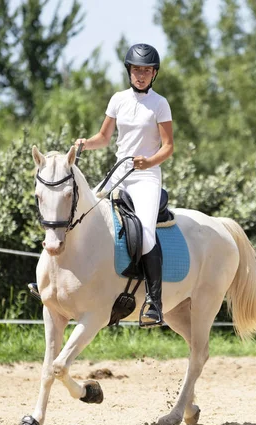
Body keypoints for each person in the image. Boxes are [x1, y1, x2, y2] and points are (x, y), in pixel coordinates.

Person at [75, 43, 174, 327]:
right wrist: (85, 143)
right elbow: (103, 138)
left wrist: (149, 161)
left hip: (146, 176)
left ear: (153, 74)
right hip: (119, 172)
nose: (141, 75)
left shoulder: (160, 103)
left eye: (146, 70)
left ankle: (154, 302)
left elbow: (168, 147)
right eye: (136, 69)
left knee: (145, 233)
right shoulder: (118, 99)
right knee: (81, 214)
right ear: (128, 71)